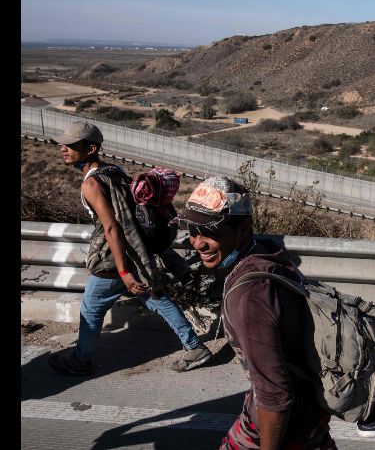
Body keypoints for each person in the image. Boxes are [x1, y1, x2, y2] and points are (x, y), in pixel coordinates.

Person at [175, 176, 336, 449]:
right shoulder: (269, 256)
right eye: (192, 230)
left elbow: (274, 396)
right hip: (307, 413)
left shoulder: (250, 296)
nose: (197, 243)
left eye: (211, 232)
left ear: (244, 229)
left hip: (286, 425)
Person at [47, 121, 212, 376]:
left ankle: (80, 360)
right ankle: (193, 346)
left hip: (113, 259)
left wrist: (123, 272)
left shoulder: (91, 185)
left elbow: (112, 228)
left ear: (91, 149)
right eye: (63, 145)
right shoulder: (116, 171)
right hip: (136, 252)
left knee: (91, 310)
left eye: (71, 145)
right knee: (154, 297)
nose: (64, 149)